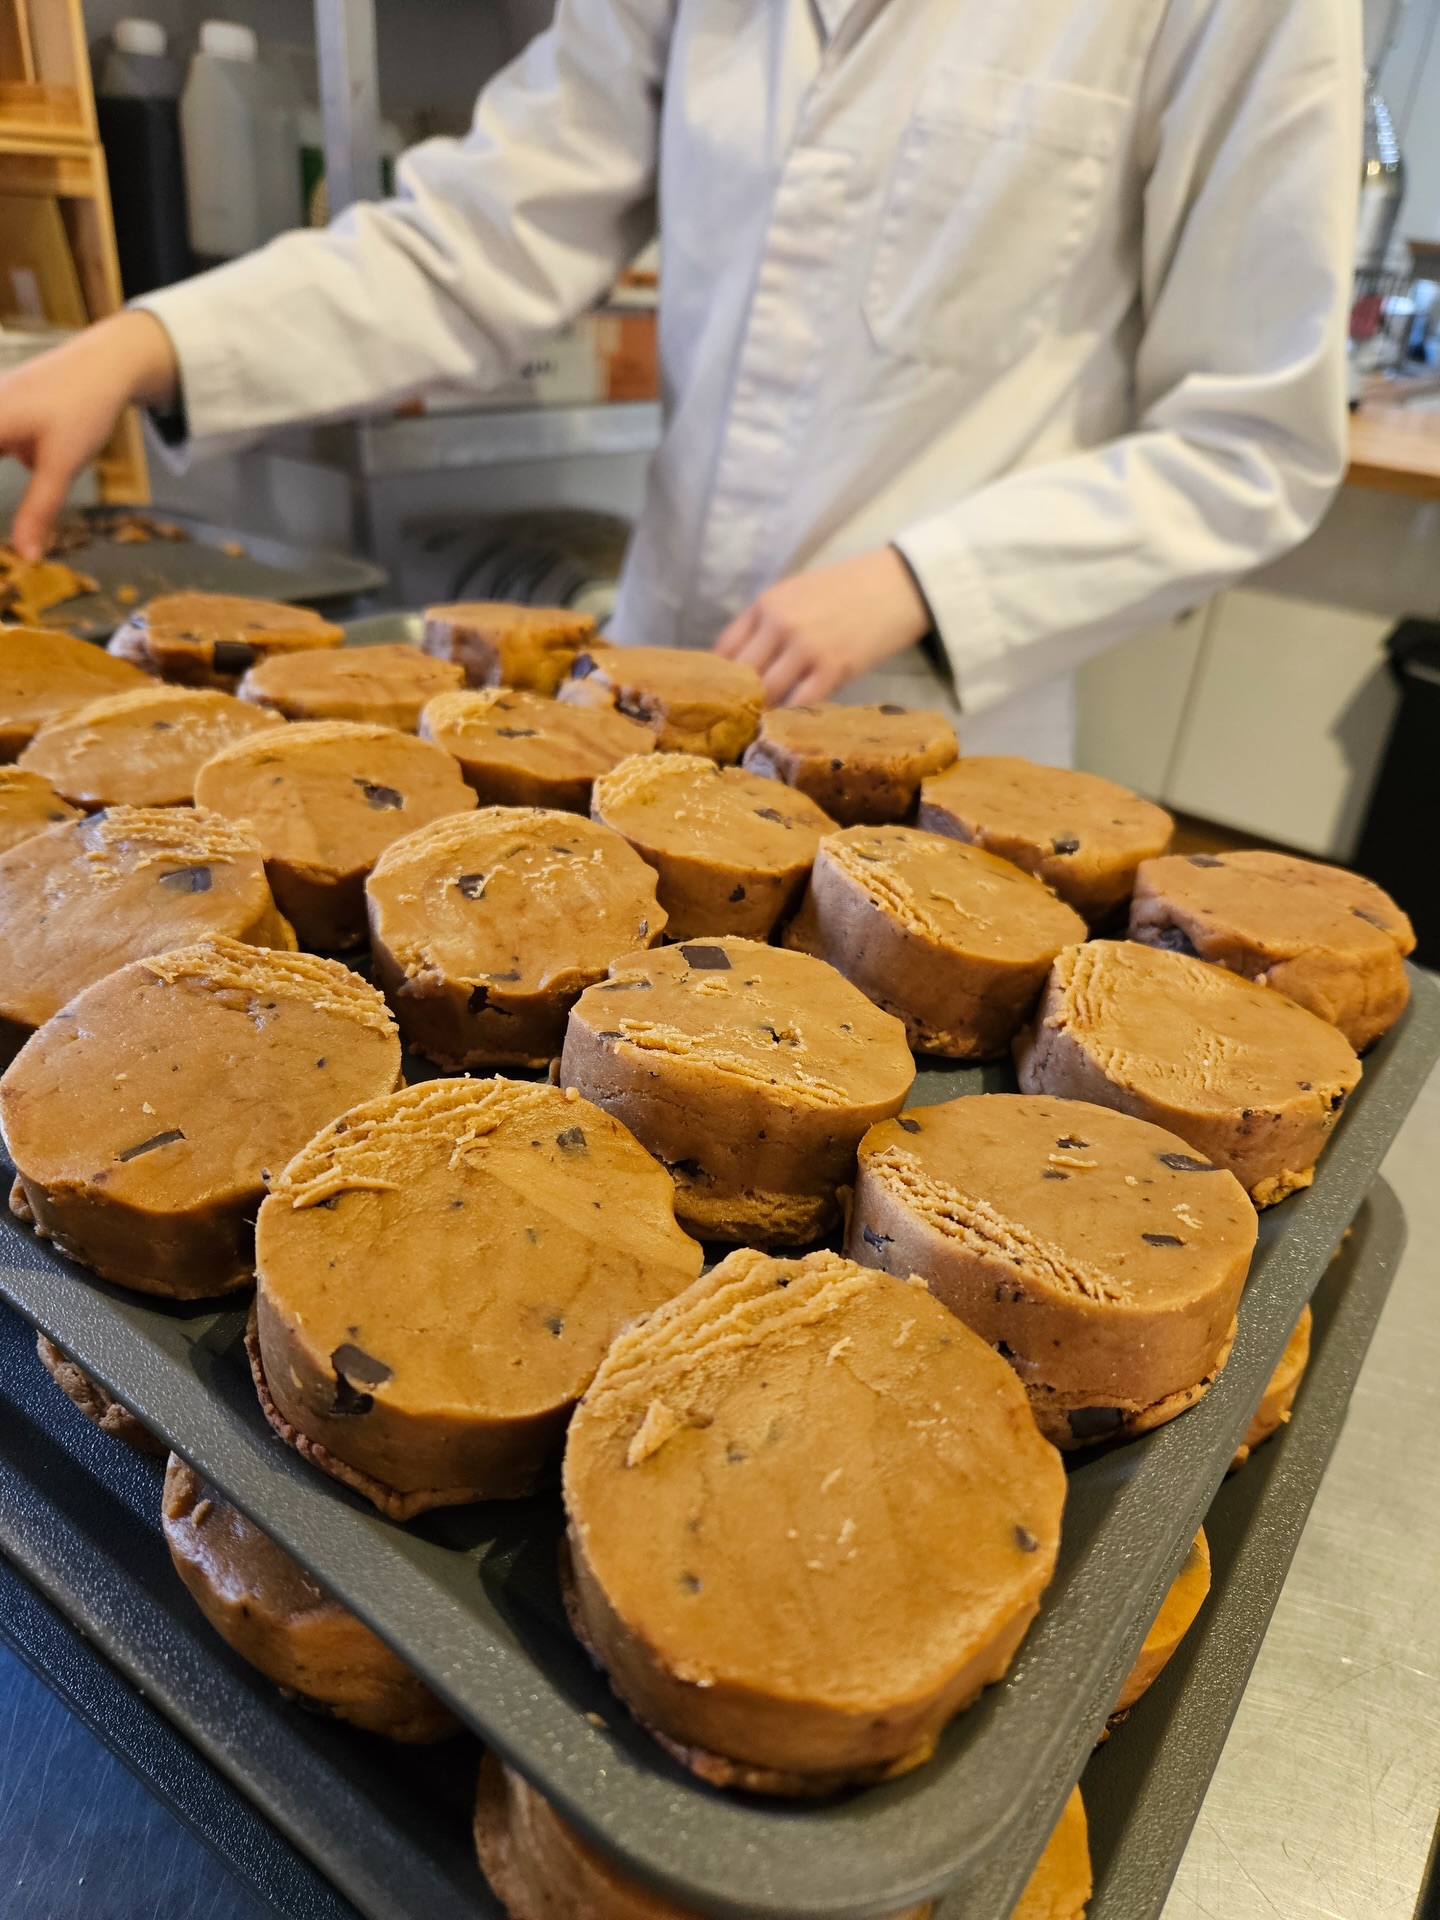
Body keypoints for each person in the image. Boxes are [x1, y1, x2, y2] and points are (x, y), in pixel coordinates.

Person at [0, 0, 1357, 764]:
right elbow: (477, 236)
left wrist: (925, 581)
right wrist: (135, 346)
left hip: (933, 731)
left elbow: (1253, 439)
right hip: (648, 681)